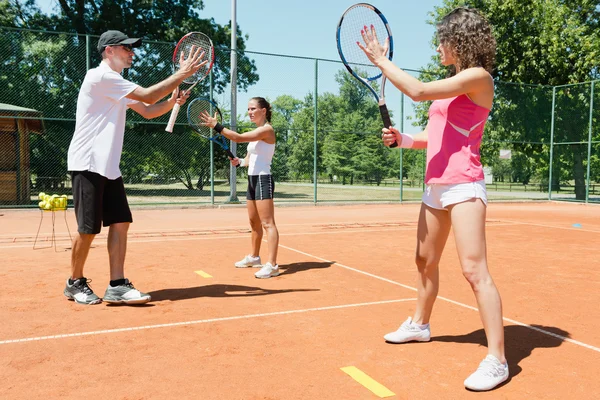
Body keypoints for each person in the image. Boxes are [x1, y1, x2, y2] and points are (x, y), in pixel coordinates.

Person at [358, 7, 508, 391]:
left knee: (474, 271)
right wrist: (405, 139)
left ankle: (498, 360)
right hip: (435, 186)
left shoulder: (478, 78)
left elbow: (418, 92)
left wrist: (380, 60)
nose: (438, 46)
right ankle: (420, 325)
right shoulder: (454, 80)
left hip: (464, 186)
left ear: (461, 40)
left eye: (442, 39)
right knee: (424, 260)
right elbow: (438, 134)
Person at [64, 30, 206, 305]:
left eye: (132, 48)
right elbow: (149, 96)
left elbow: (149, 109)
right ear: (109, 51)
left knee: (120, 223)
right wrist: (182, 73)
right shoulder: (101, 76)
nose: (132, 52)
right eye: (126, 48)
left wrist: (172, 103)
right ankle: (74, 282)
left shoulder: (117, 82)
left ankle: (117, 285)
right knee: (89, 229)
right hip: (87, 162)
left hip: (109, 166)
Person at [199, 97, 280, 279]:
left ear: (263, 111)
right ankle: (254, 257)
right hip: (252, 180)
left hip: (263, 180)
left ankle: (273, 265)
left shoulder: (267, 130)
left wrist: (216, 126)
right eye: (248, 109)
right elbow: (251, 159)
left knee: (268, 223)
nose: (250, 112)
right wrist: (240, 161)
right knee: (254, 223)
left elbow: (238, 138)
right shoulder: (257, 132)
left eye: (253, 108)